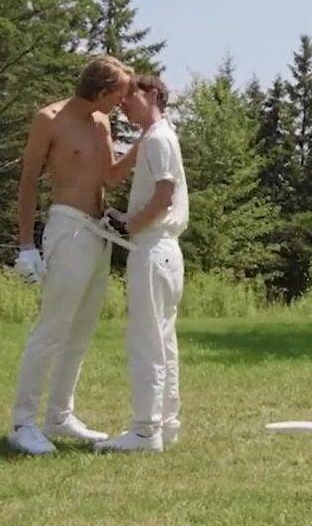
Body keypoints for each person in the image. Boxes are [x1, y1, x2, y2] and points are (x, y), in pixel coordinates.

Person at [8, 55, 139, 456]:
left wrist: (146, 140)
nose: (122, 102)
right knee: (52, 328)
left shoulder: (102, 122)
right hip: (67, 228)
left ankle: (60, 416)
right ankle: (22, 423)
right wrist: (26, 244)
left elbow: (109, 175)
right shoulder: (48, 119)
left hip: (98, 232)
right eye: (119, 94)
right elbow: (28, 181)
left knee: (80, 331)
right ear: (101, 91)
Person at [95, 74, 189, 453]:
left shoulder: (158, 138)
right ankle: (166, 423)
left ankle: (146, 430)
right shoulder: (155, 137)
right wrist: (124, 218)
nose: (123, 105)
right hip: (163, 250)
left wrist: (129, 225)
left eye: (129, 97)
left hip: (153, 249)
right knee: (162, 340)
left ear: (151, 94)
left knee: (146, 341)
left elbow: (164, 196)